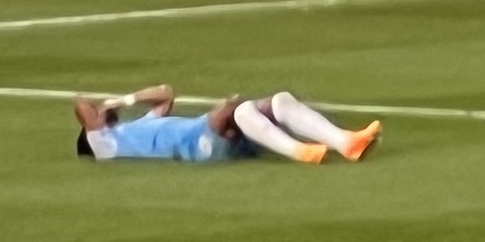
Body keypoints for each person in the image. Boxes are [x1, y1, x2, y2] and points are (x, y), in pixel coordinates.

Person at [69, 85, 378, 163]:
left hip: (207, 130)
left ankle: (345, 142)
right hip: (199, 146)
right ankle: (300, 151)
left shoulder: (137, 127)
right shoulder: (106, 145)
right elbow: (80, 104)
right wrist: (103, 109)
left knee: (280, 101)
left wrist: (124, 101)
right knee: (237, 109)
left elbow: (165, 93)